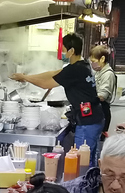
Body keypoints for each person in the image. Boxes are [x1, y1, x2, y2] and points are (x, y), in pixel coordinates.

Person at [12, 33, 105, 164]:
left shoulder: (74, 70)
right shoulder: (82, 64)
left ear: (71, 51)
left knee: (82, 161)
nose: (59, 52)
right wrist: (26, 75)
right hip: (95, 117)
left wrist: (25, 78)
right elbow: (54, 73)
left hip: (87, 121)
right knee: (90, 158)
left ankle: (83, 183)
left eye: (63, 49)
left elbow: (45, 84)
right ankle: (91, 182)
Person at [89, 45, 116, 133]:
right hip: (97, 110)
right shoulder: (99, 72)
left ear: (102, 59)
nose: (92, 64)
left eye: (93, 61)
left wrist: (86, 97)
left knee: (98, 140)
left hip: (102, 111)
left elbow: (102, 96)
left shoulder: (108, 74)